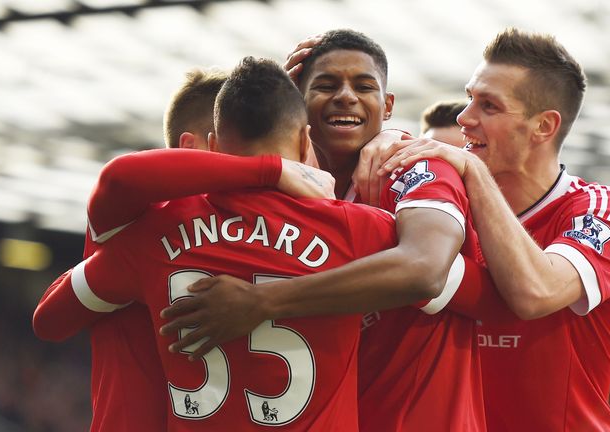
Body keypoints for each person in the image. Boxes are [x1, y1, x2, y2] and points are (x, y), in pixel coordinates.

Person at [33, 57, 436, 430]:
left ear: (217, 144)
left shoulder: (150, 233)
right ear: (303, 138)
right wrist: (430, 157)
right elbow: (455, 279)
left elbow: (49, 320)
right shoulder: (360, 229)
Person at [159, 29, 487, 431]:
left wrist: (263, 301)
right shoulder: (284, 200)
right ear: (299, 106)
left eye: (363, 86)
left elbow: (425, 269)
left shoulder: (414, 168)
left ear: (387, 106)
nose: (346, 96)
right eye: (326, 85)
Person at [376, 28, 610, 431]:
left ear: (543, 127)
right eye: (469, 98)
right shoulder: (442, 212)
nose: (464, 118)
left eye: (489, 106)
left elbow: (536, 293)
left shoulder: (601, 209)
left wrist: (475, 176)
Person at [40, 68, 230, 432]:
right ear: (191, 148)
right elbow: (121, 176)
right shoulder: (135, 218)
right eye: (240, 148)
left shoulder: (259, 231)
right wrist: (270, 168)